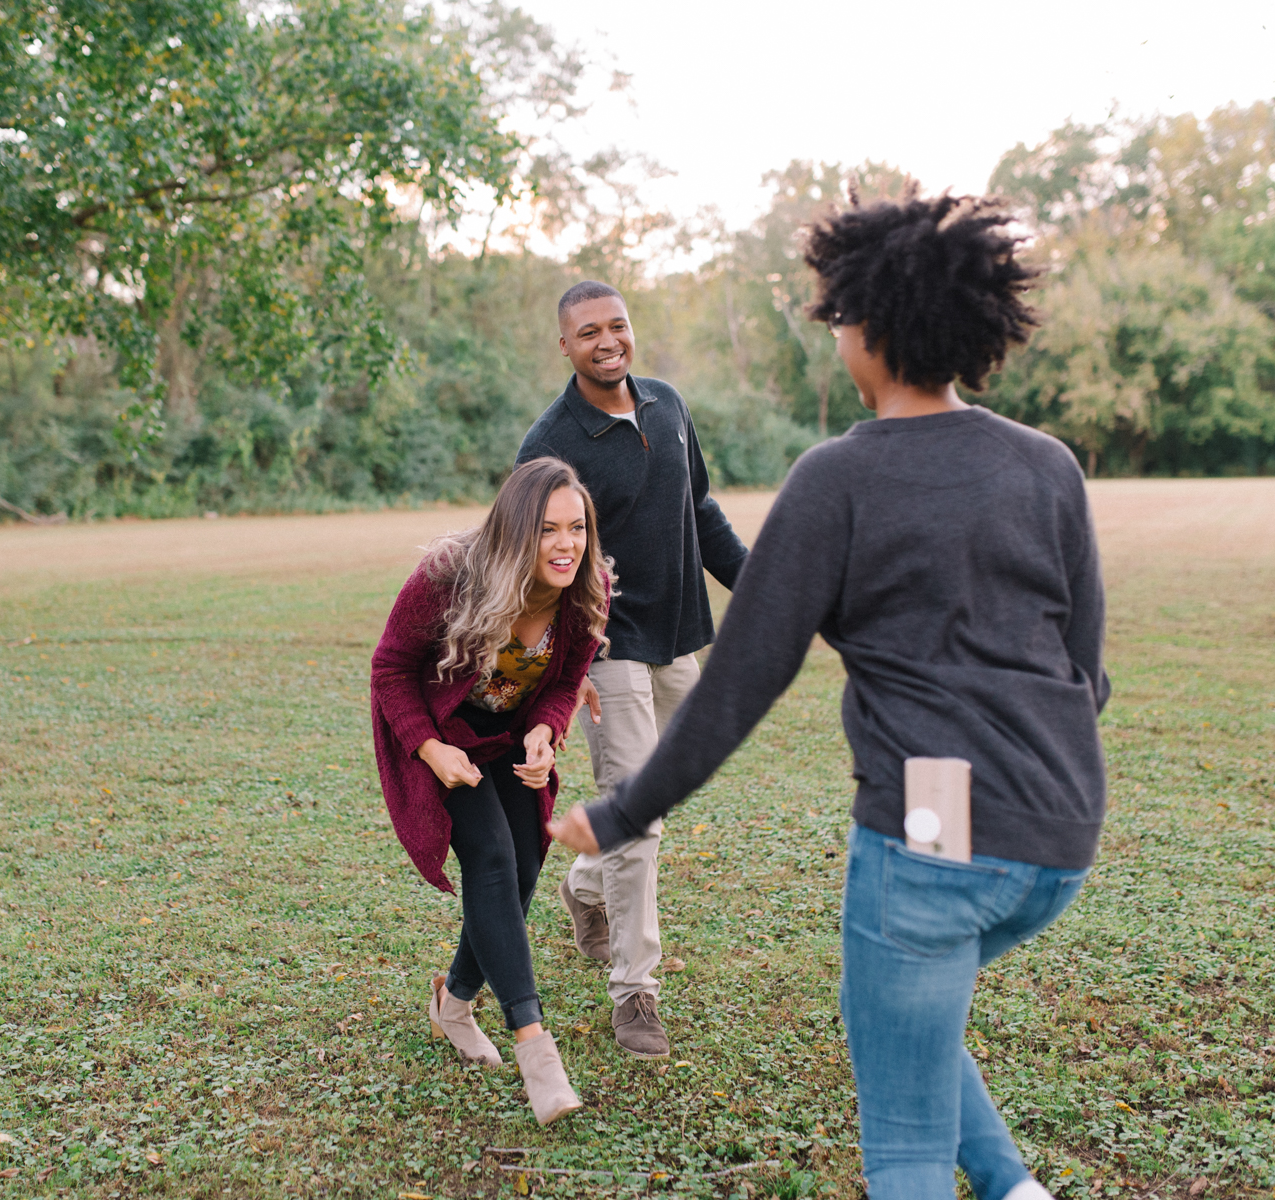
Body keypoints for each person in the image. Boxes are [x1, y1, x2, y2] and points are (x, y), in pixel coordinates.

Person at [549, 192, 1108, 1200]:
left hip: (930, 833)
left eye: (840, 318)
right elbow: (1089, 674)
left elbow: (741, 684)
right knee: (895, 1005)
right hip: (1061, 831)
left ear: (872, 331)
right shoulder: (1047, 466)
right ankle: (1011, 1185)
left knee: (900, 1139)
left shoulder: (837, 480)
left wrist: (621, 808)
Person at [514, 280, 749, 1060]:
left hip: (681, 638)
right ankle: (635, 992)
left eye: (617, 326)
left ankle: (585, 886)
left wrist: (757, 588)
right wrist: (560, 663)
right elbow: (528, 562)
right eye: (589, 332)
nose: (607, 341)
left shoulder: (667, 406)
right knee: (636, 816)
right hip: (605, 651)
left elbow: (702, 511)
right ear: (566, 346)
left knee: (669, 784)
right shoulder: (551, 445)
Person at [369, 456, 612, 1127]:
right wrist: (428, 745)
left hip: (506, 739)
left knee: (525, 867)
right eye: (548, 530)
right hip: (441, 731)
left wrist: (545, 730)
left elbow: (566, 680)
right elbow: (390, 664)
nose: (567, 545)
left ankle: (453, 999)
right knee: (491, 859)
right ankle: (536, 1049)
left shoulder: (587, 587)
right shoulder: (450, 576)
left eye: (578, 528)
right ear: (514, 531)